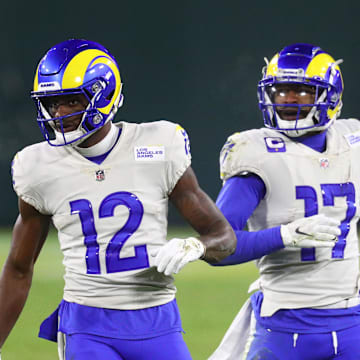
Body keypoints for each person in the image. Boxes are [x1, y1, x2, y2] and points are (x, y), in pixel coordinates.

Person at [0, 39, 236, 360]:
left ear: (105, 95)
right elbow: (17, 269)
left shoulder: (158, 146)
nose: (59, 113)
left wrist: (196, 247)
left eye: (70, 100)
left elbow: (223, 237)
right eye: (52, 102)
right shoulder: (38, 167)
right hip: (86, 323)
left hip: (157, 317)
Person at [208, 43, 360, 360]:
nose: (288, 101)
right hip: (286, 323)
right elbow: (217, 246)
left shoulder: (353, 141)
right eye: (280, 91)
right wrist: (284, 236)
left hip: (354, 320)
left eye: (301, 92)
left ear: (329, 96)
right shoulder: (257, 152)